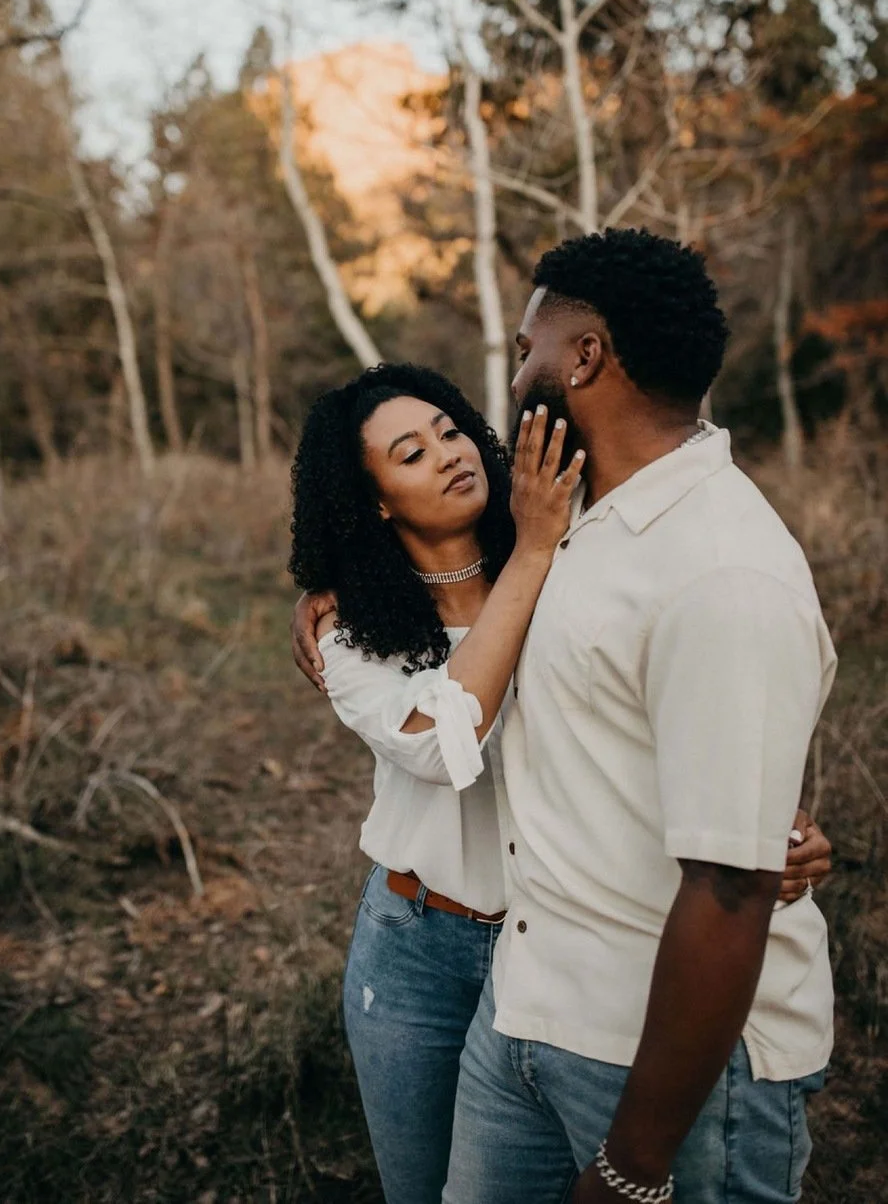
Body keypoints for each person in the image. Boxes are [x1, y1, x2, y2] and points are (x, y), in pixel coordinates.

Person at [288, 344, 831, 1203]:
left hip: (564, 941)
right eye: (412, 455)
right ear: (375, 503)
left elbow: (656, 706)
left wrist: (767, 826)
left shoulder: (571, 558)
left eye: (448, 429)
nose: (452, 453)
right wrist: (533, 551)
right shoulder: (353, 630)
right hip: (420, 949)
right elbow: (440, 744)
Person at [436, 229, 837, 1204]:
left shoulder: (723, 573)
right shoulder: (566, 514)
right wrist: (325, 588)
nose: (516, 367)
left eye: (527, 345)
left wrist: (633, 1165)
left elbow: (733, 889)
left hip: (662, 1075)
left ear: (583, 357)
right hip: (523, 1011)